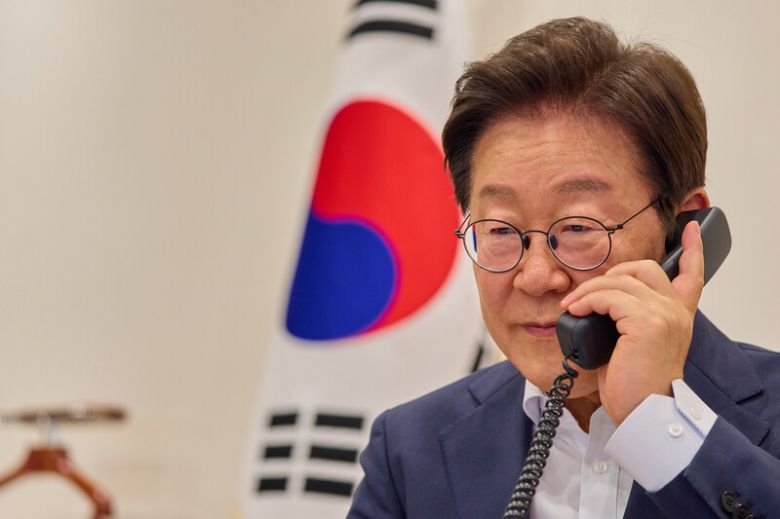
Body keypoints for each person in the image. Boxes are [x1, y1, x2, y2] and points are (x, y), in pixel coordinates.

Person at [347, 16, 780, 519]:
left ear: (682, 233)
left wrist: (661, 424)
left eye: (578, 228)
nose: (536, 277)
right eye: (500, 230)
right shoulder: (409, 454)